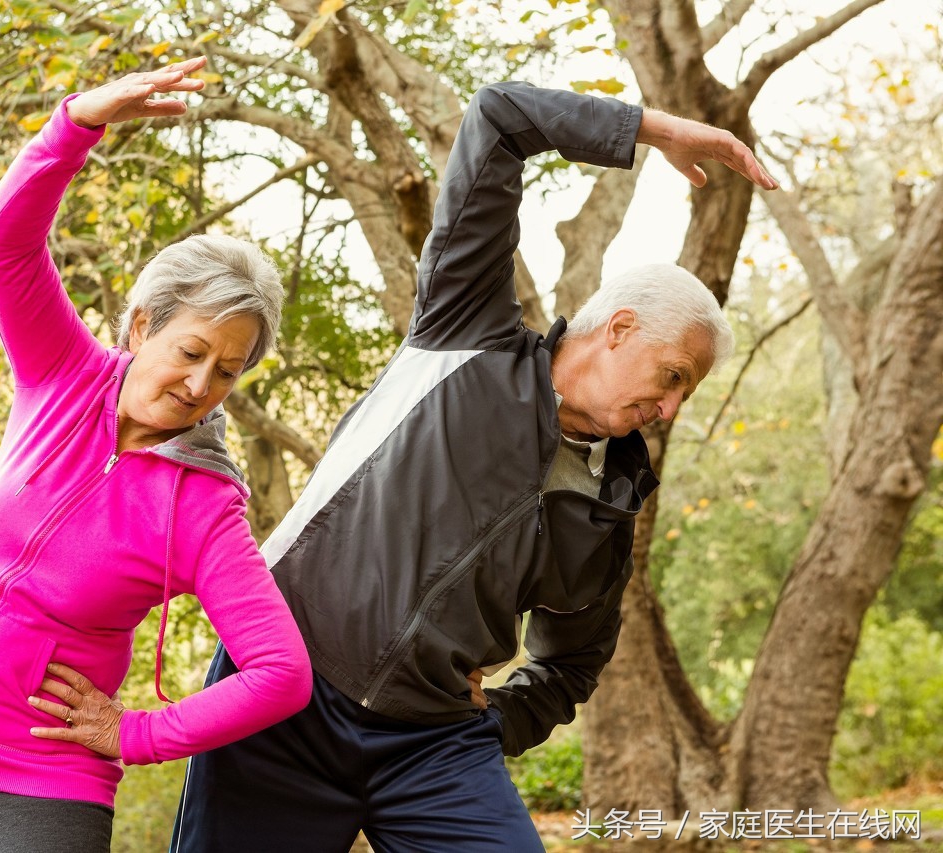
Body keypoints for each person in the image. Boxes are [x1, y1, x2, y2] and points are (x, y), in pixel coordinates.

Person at [169, 80, 777, 852]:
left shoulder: (611, 497)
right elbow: (500, 117)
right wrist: (653, 131)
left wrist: (498, 721)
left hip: (433, 747)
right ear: (619, 328)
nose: (670, 410)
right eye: (672, 377)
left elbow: (572, 661)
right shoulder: (469, 328)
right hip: (286, 689)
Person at [0, 57, 311, 852]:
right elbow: (4, 241)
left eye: (227, 371)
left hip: (40, 779)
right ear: (141, 327)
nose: (201, 383)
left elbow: (281, 673)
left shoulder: (205, 507)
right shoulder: (61, 373)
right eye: (190, 350)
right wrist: (80, 121)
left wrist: (136, 731)